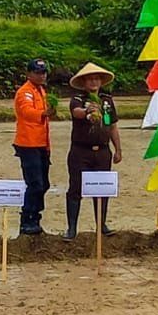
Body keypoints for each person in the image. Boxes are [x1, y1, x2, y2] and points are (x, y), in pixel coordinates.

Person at [63, 62, 122, 241]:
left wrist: (118, 148)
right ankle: (71, 228)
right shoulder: (78, 99)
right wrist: (88, 111)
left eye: (96, 79)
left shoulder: (107, 100)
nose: (94, 82)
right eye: (90, 79)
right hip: (81, 151)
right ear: (84, 82)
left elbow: (112, 125)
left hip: (103, 151)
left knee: (102, 188)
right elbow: (76, 112)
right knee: (75, 189)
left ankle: (101, 224)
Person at [12, 58, 55, 236]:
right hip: (28, 143)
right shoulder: (25, 92)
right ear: (29, 74)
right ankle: (27, 220)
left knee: (43, 184)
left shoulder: (41, 91)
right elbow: (26, 111)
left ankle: (35, 218)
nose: (41, 75)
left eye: (43, 72)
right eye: (37, 72)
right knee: (35, 183)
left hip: (41, 144)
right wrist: (44, 113)